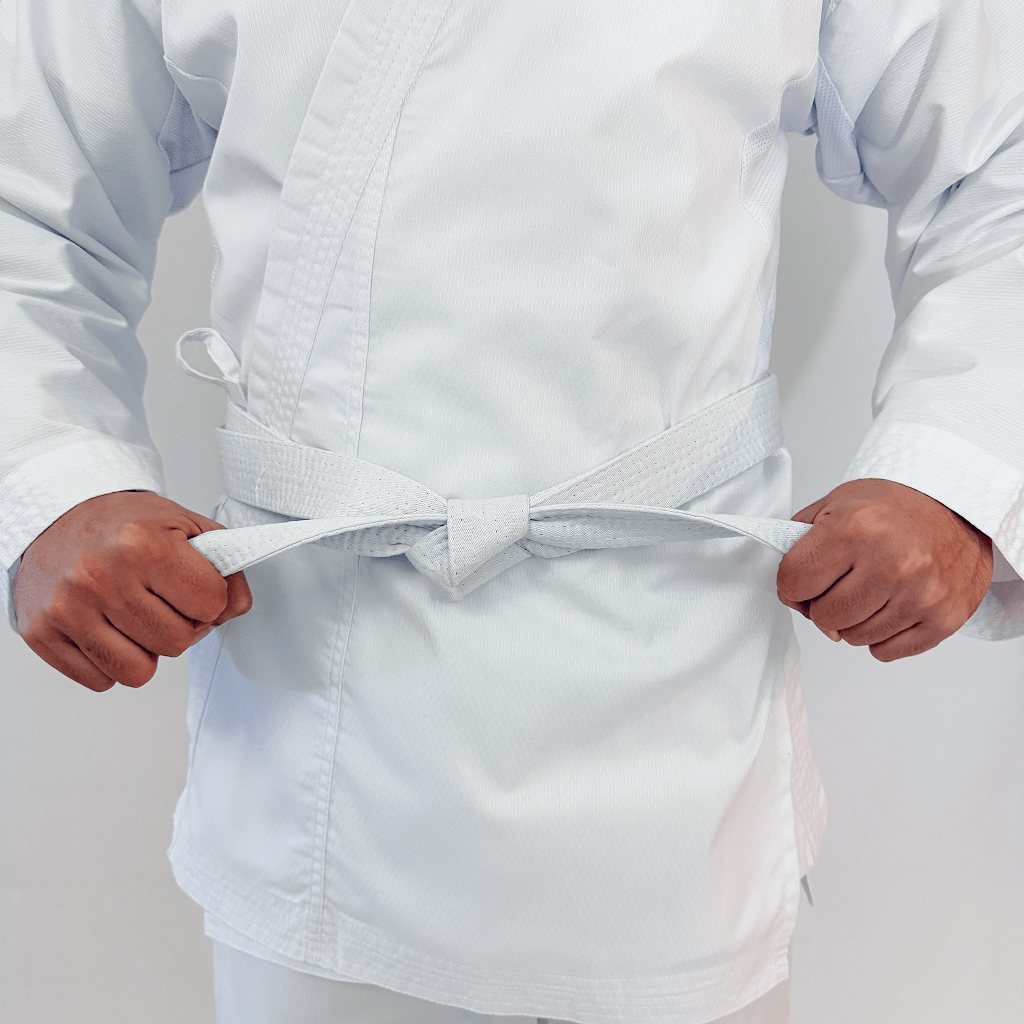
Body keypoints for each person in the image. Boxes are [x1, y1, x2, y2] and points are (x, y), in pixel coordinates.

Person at [2, 1, 1022, 1022]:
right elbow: (26, 194)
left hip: (673, 704)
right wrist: (54, 478)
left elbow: (999, 170)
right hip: (328, 718)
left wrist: (950, 475)